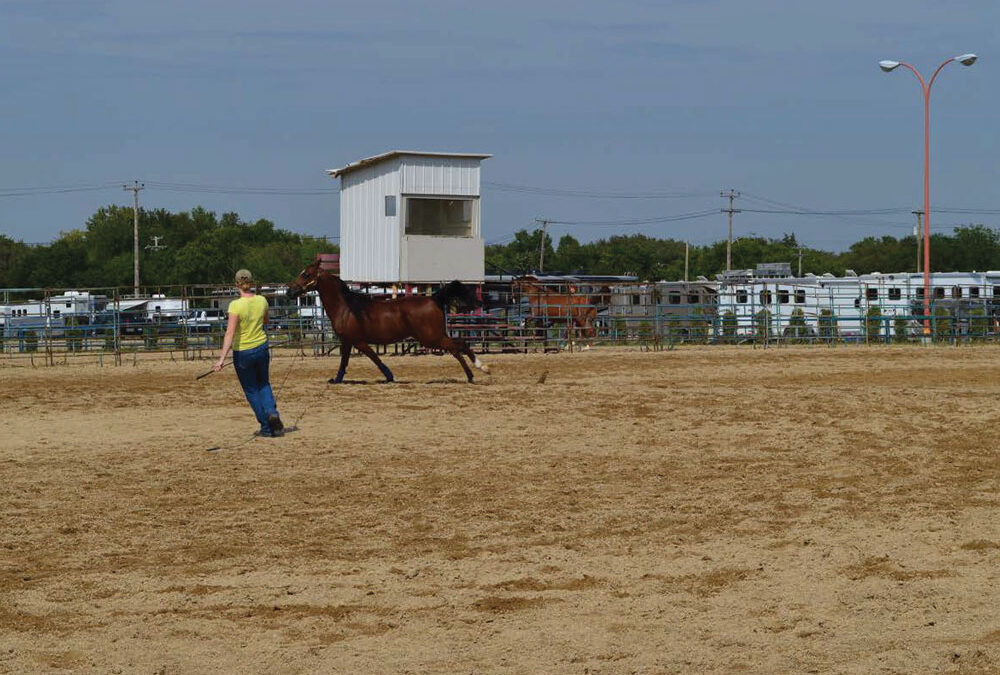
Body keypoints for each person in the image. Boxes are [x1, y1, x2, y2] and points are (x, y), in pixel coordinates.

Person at [214, 269, 284, 437]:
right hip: (261, 347)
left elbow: (230, 333)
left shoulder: (235, 305)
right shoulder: (262, 301)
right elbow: (266, 321)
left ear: (236, 284)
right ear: (252, 282)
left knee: (251, 389)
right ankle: (272, 412)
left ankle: (266, 428)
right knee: (264, 384)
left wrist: (221, 359)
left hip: (243, 352)